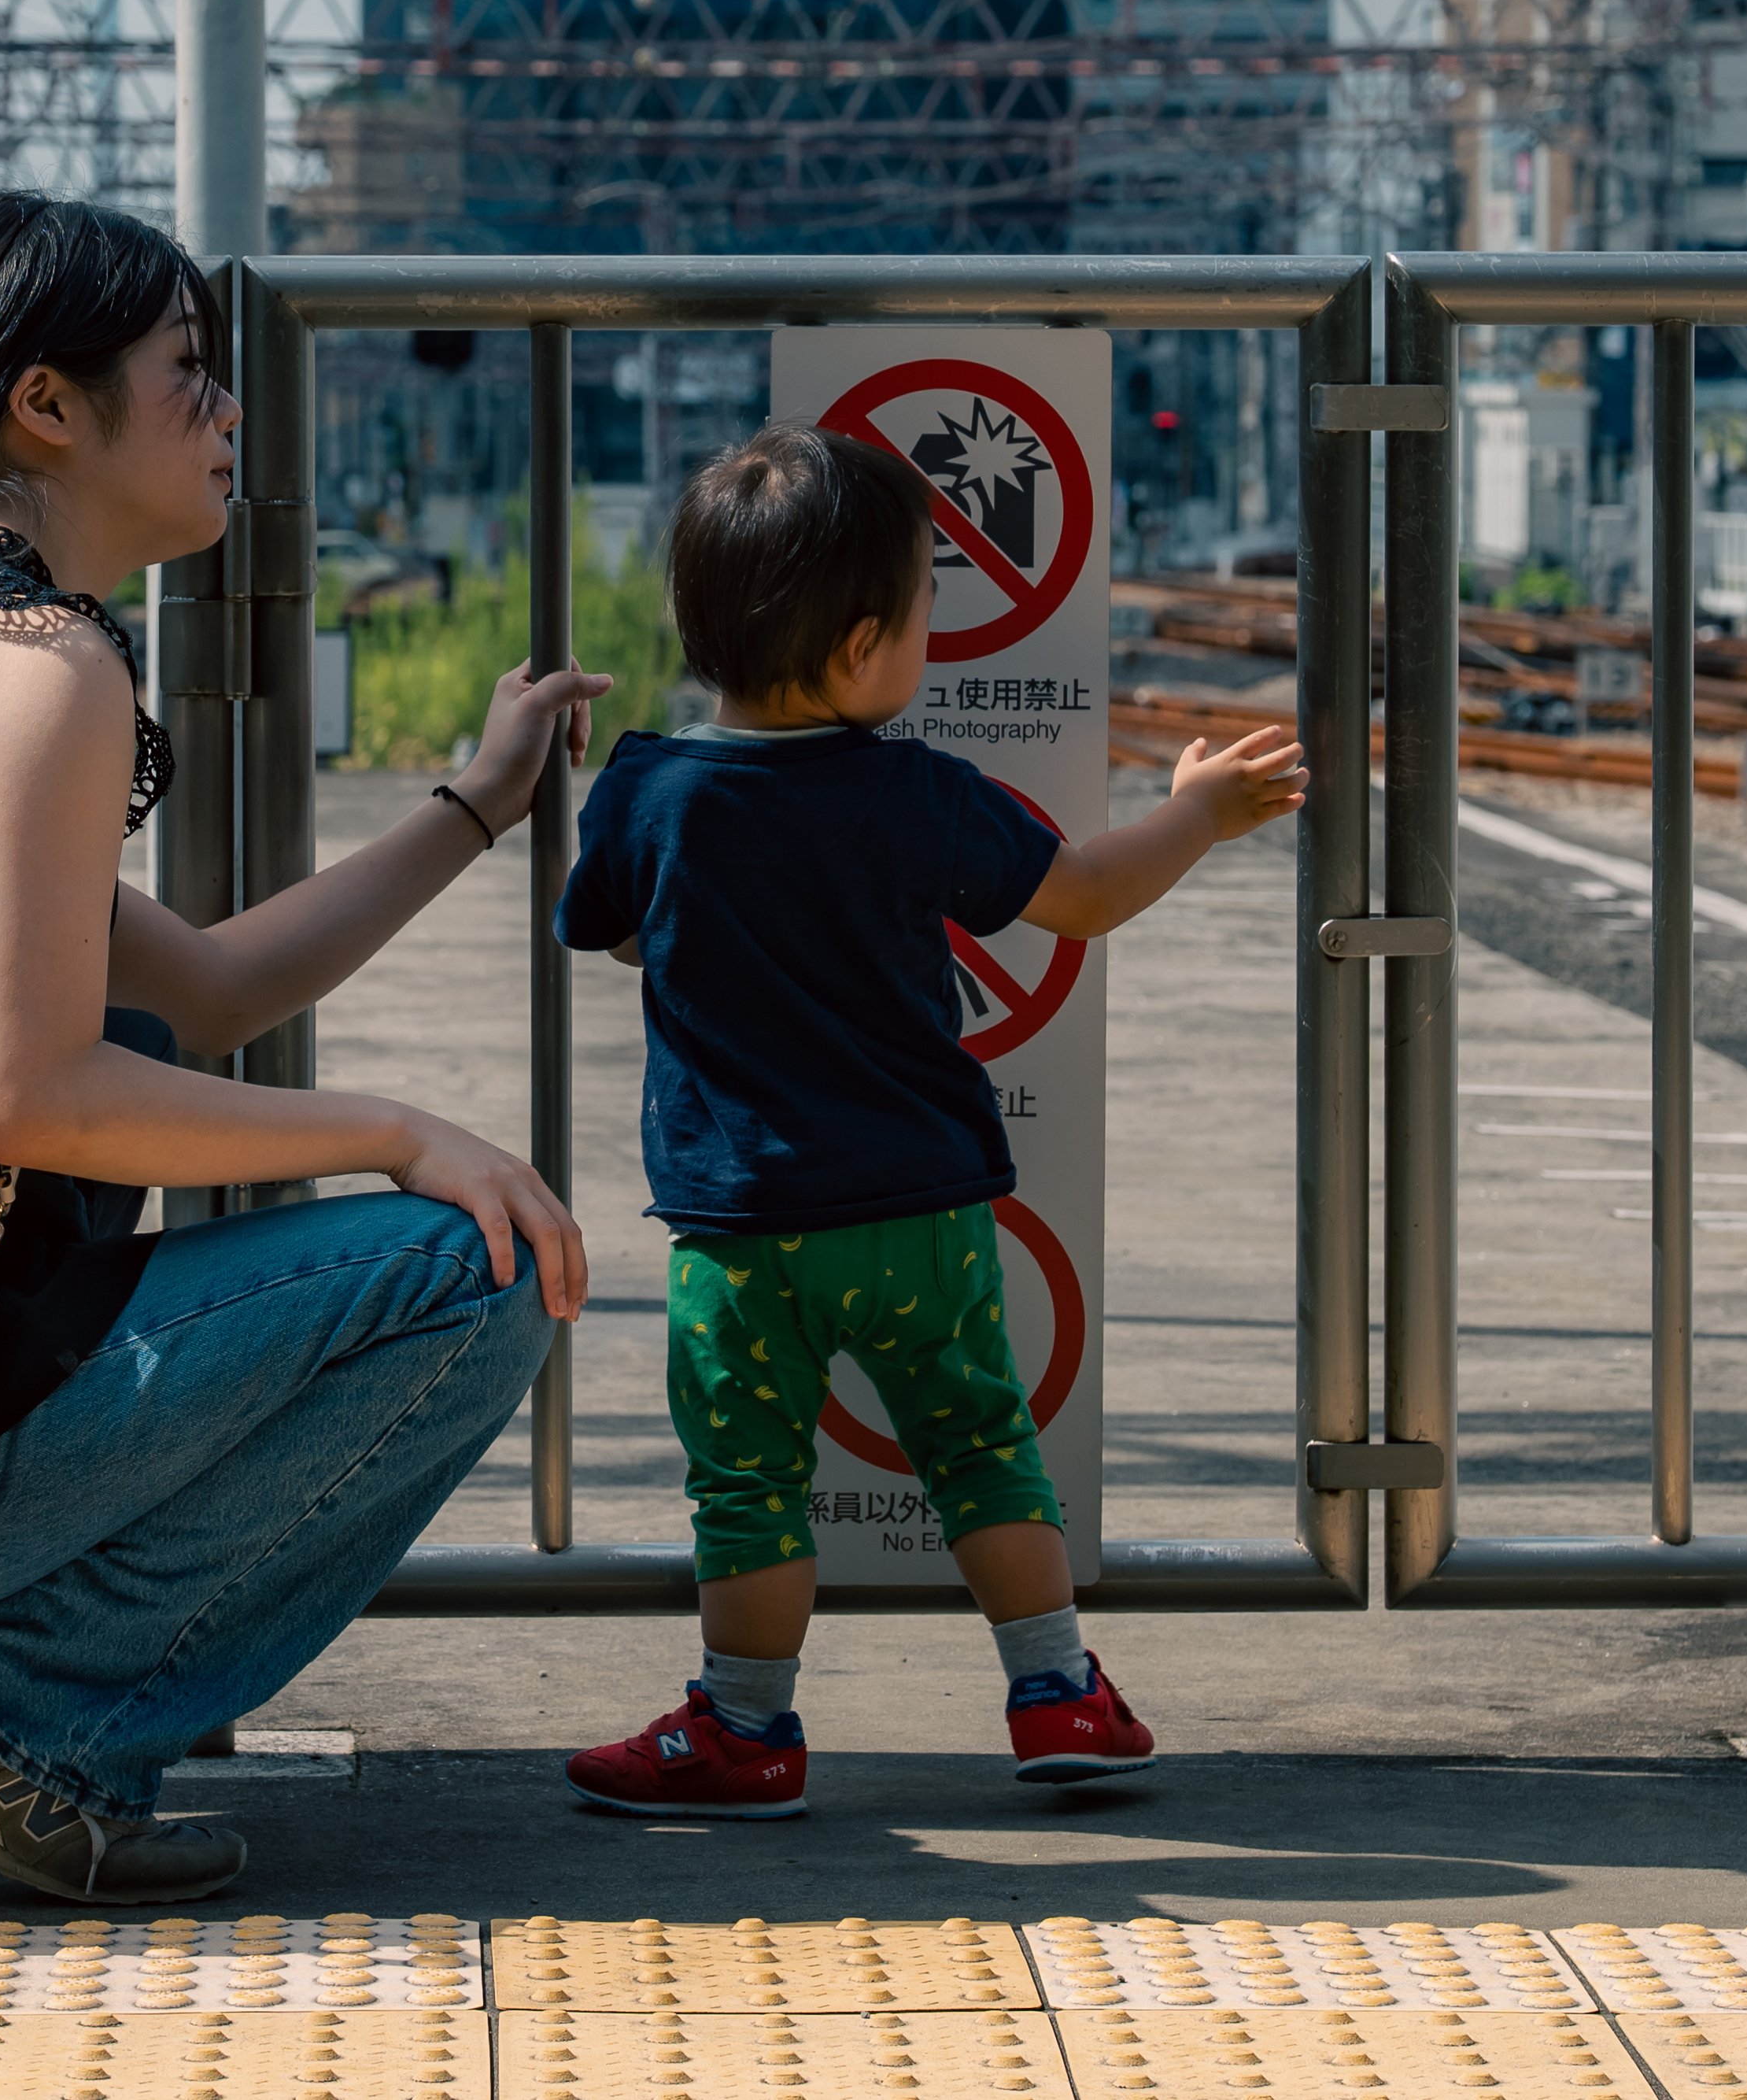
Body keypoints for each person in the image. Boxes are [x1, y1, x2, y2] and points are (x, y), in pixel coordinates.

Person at [0, 192, 600, 1905]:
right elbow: (40, 1093)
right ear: (47, 407)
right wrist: (396, 1133)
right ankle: (5, 1716)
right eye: (185, 371)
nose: (227, 410)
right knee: (476, 1268)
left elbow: (211, 992)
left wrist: (470, 804)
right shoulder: (40, 667)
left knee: (438, 1229)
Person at [549, 422, 1305, 1818]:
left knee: (749, 1483)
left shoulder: (649, 791)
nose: (928, 648)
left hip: (739, 1224)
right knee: (979, 1442)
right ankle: (1056, 1689)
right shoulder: (915, 791)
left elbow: (602, 932)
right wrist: (1194, 814)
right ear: (857, 651)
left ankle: (747, 1727)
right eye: (920, 619)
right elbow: (1077, 892)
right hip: (920, 1209)